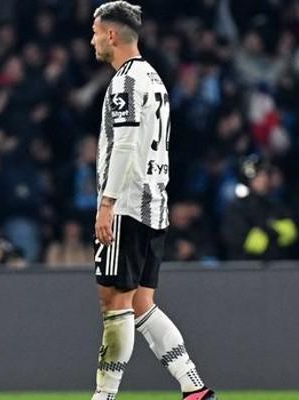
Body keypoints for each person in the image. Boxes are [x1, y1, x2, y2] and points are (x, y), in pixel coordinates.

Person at [89, 3, 216, 400]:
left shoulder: (126, 82)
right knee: (142, 303)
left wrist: (107, 204)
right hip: (154, 204)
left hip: (127, 206)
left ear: (112, 35)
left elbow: (126, 145)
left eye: (96, 33)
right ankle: (194, 387)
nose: (92, 41)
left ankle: (104, 396)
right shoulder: (154, 78)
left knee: (114, 303)